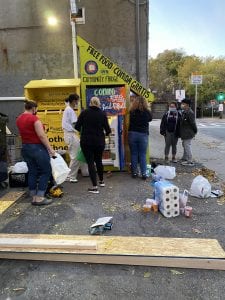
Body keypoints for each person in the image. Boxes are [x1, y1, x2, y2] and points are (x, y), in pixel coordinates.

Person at [16, 100, 55, 205]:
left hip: (25, 148)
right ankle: (40, 197)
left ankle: (33, 196)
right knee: (46, 171)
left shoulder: (19, 119)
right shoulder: (34, 119)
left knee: (32, 172)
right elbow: (42, 136)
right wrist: (50, 149)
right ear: (33, 108)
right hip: (37, 148)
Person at [75, 96, 111, 194]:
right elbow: (108, 130)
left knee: (90, 162)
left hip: (86, 141)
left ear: (90, 103)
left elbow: (77, 127)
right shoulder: (102, 114)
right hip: (99, 141)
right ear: (99, 103)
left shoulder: (84, 113)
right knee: (99, 160)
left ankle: (94, 187)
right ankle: (101, 181)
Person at [128, 95, 152, 179]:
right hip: (143, 134)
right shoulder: (147, 112)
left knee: (134, 154)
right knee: (142, 154)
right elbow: (150, 119)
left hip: (132, 133)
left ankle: (134, 173)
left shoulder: (132, 111)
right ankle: (144, 174)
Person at [62, 94, 80, 183]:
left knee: (74, 155)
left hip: (69, 134)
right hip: (71, 134)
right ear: (73, 101)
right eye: (77, 100)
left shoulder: (68, 109)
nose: (78, 102)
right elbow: (75, 124)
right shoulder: (70, 110)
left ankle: (70, 175)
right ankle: (71, 176)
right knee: (75, 156)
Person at [180, 98, 198, 166]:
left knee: (187, 145)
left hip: (188, 132)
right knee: (184, 144)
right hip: (185, 132)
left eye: (183, 104)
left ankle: (190, 161)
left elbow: (193, 123)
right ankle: (185, 157)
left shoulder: (190, 112)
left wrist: (195, 131)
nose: (182, 105)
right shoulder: (184, 111)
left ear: (187, 105)